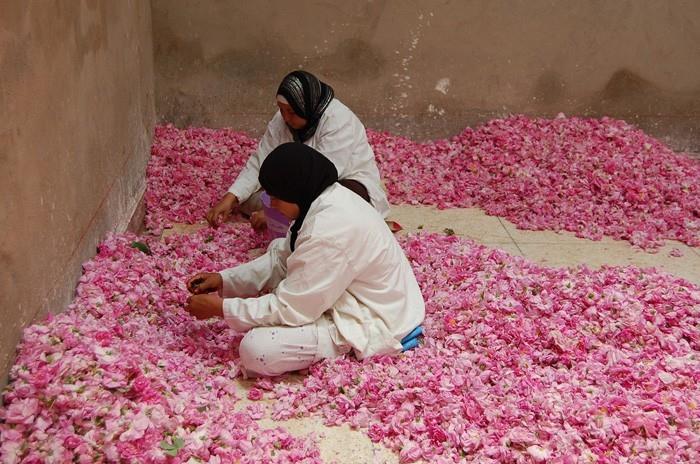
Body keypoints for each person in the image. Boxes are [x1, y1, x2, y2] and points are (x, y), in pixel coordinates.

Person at [187, 143, 424, 377]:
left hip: (378, 317)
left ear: (294, 190)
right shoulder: (322, 200)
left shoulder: (328, 229)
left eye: (277, 197)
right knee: (282, 277)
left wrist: (222, 309)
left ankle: (347, 345)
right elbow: (282, 257)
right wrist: (224, 280)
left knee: (256, 349)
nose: (272, 204)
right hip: (358, 293)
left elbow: (292, 308)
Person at [206, 70, 390, 231]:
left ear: (306, 106)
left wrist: (277, 211)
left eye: (291, 112)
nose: (285, 117)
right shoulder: (283, 118)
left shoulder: (338, 120)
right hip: (297, 186)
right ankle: (294, 213)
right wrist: (231, 197)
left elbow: (322, 177)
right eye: (281, 110)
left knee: (337, 203)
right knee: (248, 200)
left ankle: (295, 214)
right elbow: (261, 159)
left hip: (339, 183)